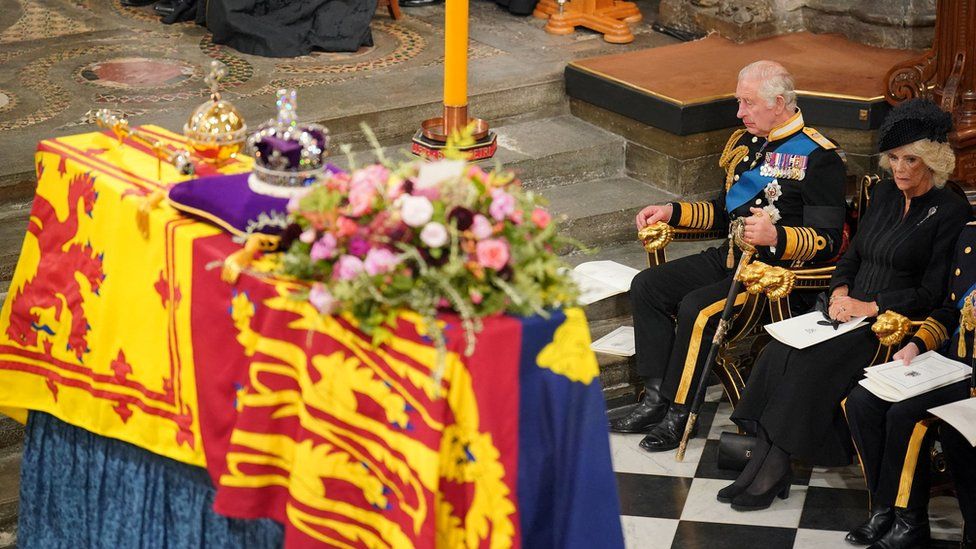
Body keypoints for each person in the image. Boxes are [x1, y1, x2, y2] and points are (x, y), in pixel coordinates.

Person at [721, 98, 970, 514]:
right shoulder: (888, 193)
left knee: (809, 367)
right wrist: (839, 293)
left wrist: (869, 305)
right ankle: (761, 459)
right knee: (777, 354)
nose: (901, 168)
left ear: (934, 161)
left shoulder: (950, 210)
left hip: (890, 324)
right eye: (894, 158)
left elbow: (932, 293)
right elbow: (851, 257)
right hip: (845, 310)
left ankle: (777, 464)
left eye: (911, 159)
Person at [611, 60, 848, 453]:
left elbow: (828, 241)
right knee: (648, 285)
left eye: (747, 103)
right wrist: (673, 211)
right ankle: (654, 400)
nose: (739, 113)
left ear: (777, 102)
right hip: (728, 258)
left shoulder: (817, 156)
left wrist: (779, 236)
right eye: (740, 102)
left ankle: (680, 412)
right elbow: (724, 213)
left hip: (767, 278)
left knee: (696, 308)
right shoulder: (746, 143)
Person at [845, 208, 974, 544]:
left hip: (970, 382)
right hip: (954, 364)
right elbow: (950, 308)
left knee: (904, 414)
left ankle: (910, 520)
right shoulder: (970, 234)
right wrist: (917, 345)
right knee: (863, 399)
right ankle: (885, 508)